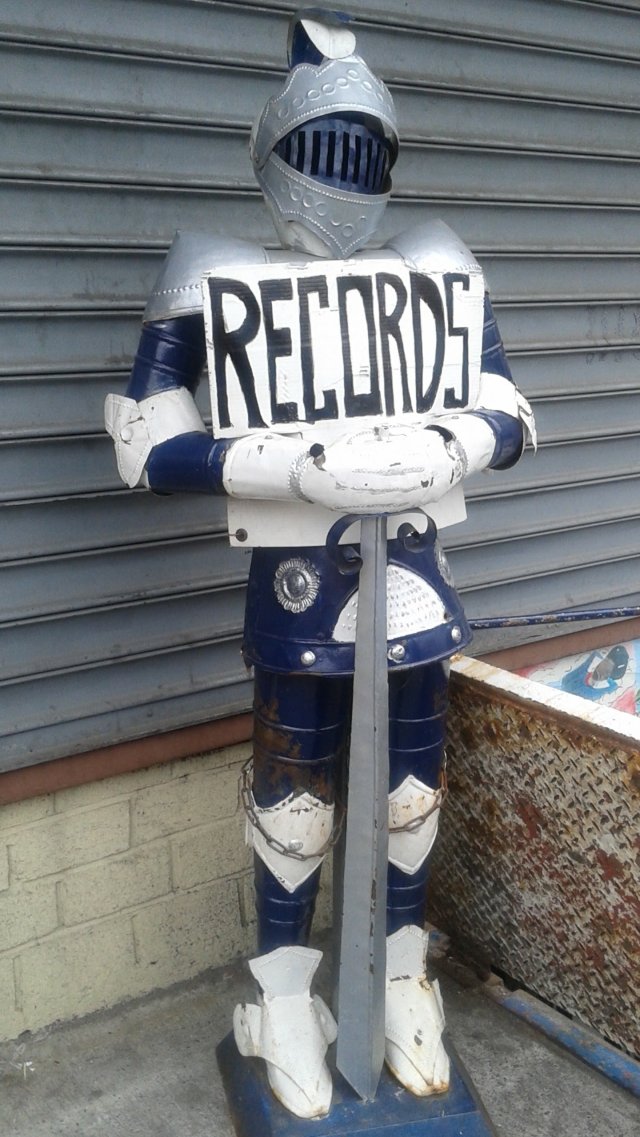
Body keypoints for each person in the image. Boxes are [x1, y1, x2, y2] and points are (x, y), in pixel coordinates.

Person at [105, 8, 535, 1120]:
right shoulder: (212, 272)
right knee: (293, 803)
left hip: (414, 570)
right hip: (299, 580)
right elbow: (145, 436)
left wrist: (443, 446)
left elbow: (505, 402)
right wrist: (289, 467)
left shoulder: (432, 265)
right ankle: (283, 997)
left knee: (411, 797)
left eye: (361, 148)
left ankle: (400, 979)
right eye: (323, 144)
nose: (343, 171)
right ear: (273, 151)